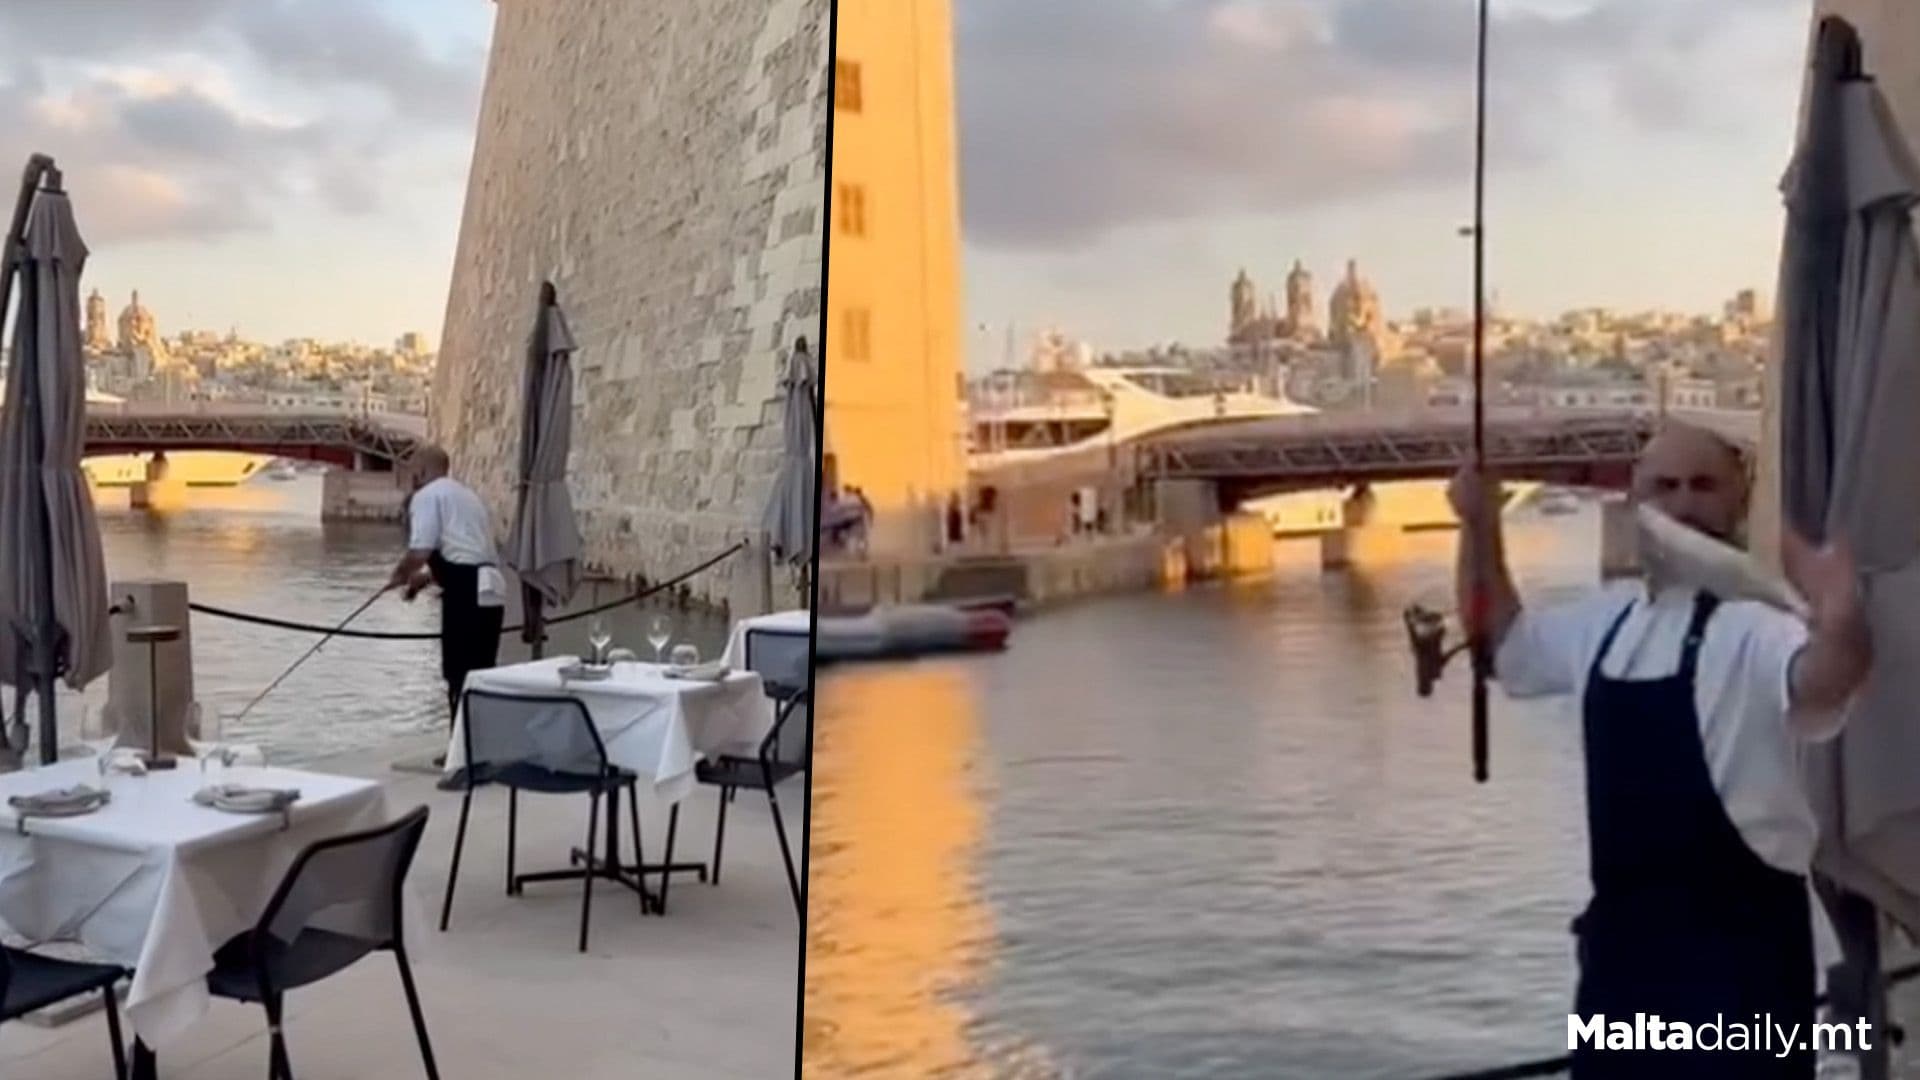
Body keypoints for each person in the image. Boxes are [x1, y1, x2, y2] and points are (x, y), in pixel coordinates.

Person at [1450, 421, 1872, 1079]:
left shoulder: (1762, 624)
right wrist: (1479, 528)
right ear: (1635, 501)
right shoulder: (1604, 620)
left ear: (1738, 500)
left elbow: (1823, 675)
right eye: (1664, 486)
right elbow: (1502, 647)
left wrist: (1842, 621)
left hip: (1744, 974)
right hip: (1623, 966)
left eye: (1703, 486)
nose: (1683, 505)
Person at [385, 445, 506, 734]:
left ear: (422, 470)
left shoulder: (427, 496)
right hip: (490, 588)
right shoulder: (468, 496)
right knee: (481, 670)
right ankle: (479, 742)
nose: (412, 477)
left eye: (413, 470)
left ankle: (458, 747)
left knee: (457, 670)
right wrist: (425, 579)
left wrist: (399, 575)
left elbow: (420, 551)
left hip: (465, 592)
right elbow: (467, 553)